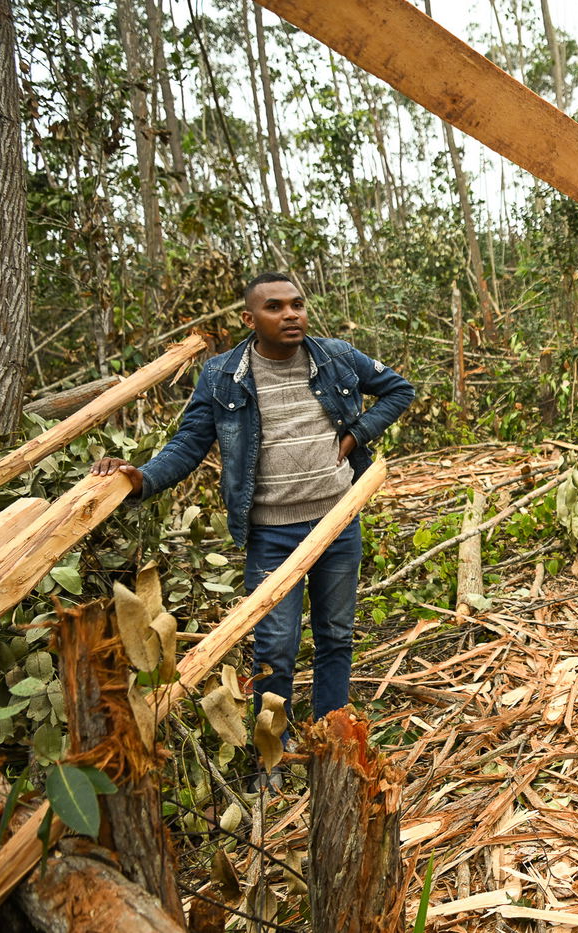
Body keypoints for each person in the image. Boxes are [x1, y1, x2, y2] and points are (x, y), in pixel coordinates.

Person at [92, 272, 415, 771]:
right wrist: (142, 477)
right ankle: (274, 756)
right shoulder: (224, 375)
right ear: (250, 319)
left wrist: (358, 433)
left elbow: (398, 389)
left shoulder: (336, 357)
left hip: (336, 523)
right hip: (271, 535)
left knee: (335, 633)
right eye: (275, 307)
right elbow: (189, 444)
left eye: (297, 304)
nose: (291, 315)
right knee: (276, 648)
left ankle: (334, 742)